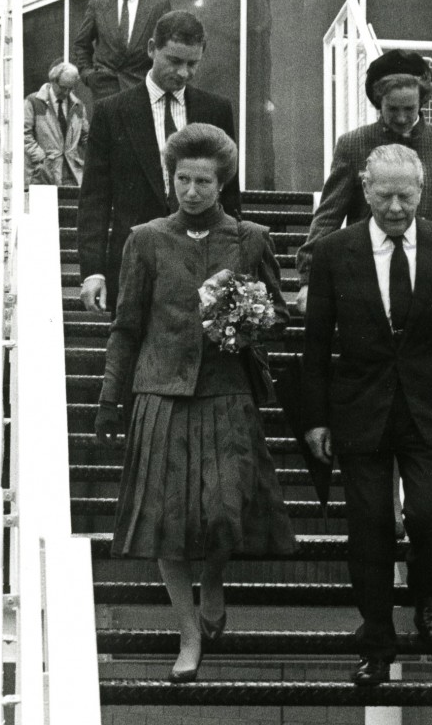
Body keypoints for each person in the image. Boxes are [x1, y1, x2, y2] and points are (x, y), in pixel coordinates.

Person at [94, 123, 294, 682]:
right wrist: (110, 399)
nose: (191, 191)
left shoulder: (251, 238)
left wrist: (250, 315)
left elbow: (278, 316)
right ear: (171, 178)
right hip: (161, 393)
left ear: (222, 182)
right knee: (165, 522)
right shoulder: (146, 239)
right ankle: (187, 635)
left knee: (224, 511)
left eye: (203, 181)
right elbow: (126, 326)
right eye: (182, 179)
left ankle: (213, 583)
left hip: (226, 393)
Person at [301, 144, 432, 687]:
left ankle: (426, 588)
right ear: (364, 190)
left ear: (420, 193)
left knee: (430, 515)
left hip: (429, 406)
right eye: (383, 195)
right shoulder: (335, 251)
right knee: (368, 528)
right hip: (360, 409)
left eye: (405, 196)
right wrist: (315, 418)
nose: (394, 206)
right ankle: (376, 640)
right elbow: (316, 344)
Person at [78, 10, 240, 312]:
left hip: (202, 265)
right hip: (133, 265)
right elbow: (94, 200)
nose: (183, 73)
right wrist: (93, 270)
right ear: (152, 48)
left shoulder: (217, 110)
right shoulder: (111, 112)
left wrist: (229, 264)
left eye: (193, 64)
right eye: (174, 61)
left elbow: (229, 195)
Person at [295, 49, 432, 314]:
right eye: (393, 109)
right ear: (378, 102)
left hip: (429, 276)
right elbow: (328, 216)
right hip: (365, 278)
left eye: (410, 109)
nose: (402, 118)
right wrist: (308, 279)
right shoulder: (353, 144)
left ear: (423, 101)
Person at [72, 0, 172, 102]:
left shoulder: (158, 5)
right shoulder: (97, 3)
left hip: (142, 89)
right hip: (104, 90)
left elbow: (166, 47)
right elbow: (81, 44)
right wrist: (87, 75)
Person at [24, 62, 89, 189]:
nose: (66, 92)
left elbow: (85, 137)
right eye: (63, 87)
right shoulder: (33, 101)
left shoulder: (78, 106)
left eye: (71, 88)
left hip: (71, 172)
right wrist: (40, 157)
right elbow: (24, 134)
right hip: (42, 173)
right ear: (53, 81)